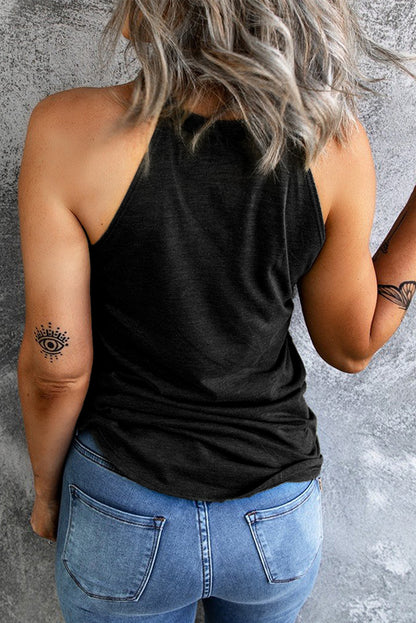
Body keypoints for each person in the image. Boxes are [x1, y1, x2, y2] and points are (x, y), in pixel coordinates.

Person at [17, 1, 416, 622]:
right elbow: (352, 345)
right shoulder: (334, 144)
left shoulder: (68, 130)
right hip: (275, 516)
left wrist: (47, 494)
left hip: (125, 505)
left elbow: (57, 371)